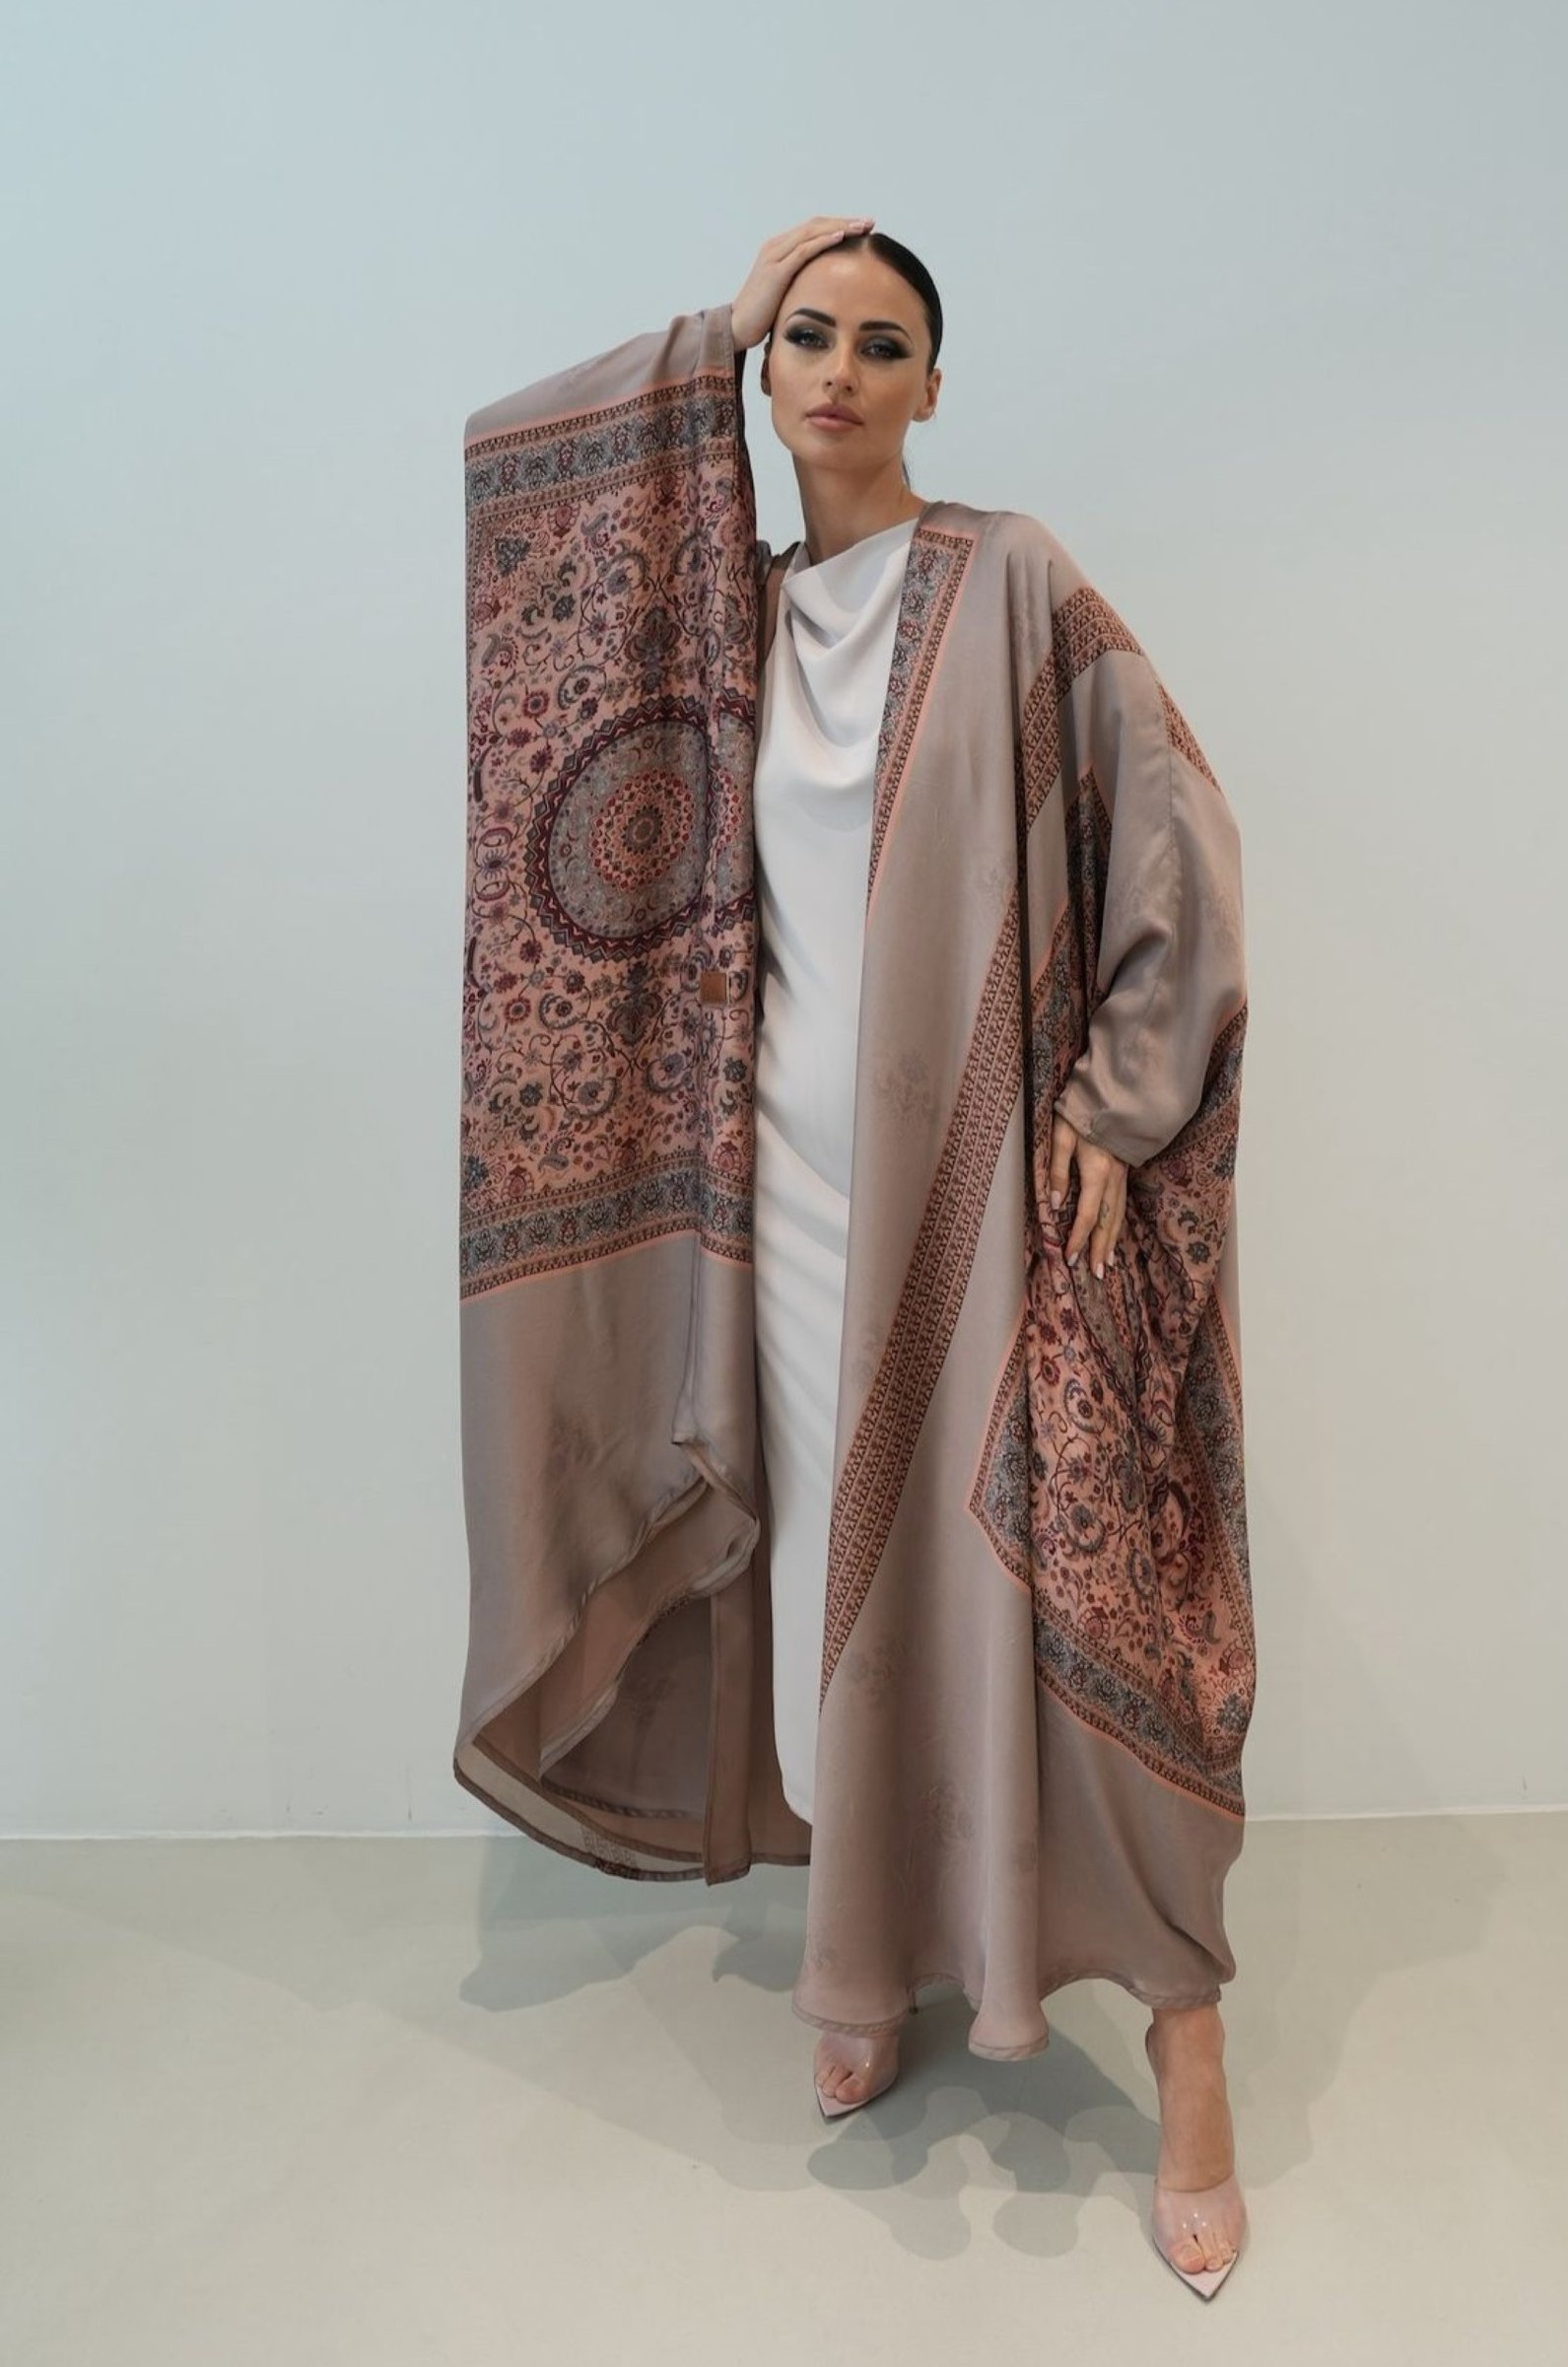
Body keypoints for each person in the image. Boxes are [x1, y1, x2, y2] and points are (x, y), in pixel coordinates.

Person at [454, 217, 1255, 2300]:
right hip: (786, 1214)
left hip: (984, 1198)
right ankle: (869, 1957)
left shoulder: (1006, 581)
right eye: (801, 338)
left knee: (1079, 1587)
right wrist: (706, 329)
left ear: (929, 386)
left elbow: (1177, 824)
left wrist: (1118, 1099)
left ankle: (1185, 2045)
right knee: (845, 1593)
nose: (832, 370)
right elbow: (539, 512)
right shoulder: (727, 621)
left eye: (877, 344)